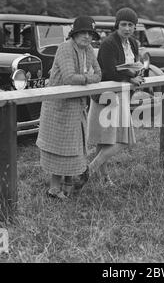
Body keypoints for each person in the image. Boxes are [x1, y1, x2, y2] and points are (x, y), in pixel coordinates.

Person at [36, 16, 102, 199]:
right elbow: (69, 78)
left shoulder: (88, 50)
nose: (87, 37)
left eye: (90, 34)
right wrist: (88, 78)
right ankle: (54, 190)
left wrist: (88, 78)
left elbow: (99, 73)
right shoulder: (65, 48)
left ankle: (67, 188)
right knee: (59, 148)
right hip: (58, 106)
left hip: (77, 105)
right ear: (74, 34)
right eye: (83, 32)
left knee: (74, 147)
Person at [87, 7, 144, 184]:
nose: (127, 28)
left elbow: (135, 65)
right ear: (117, 25)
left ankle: (103, 179)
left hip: (123, 95)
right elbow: (109, 72)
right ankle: (89, 171)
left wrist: (138, 75)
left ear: (135, 27)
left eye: (131, 25)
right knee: (120, 140)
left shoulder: (133, 43)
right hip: (106, 96)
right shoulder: (108, 43)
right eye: (124, 24)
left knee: (106, 141)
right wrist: (131, 78)